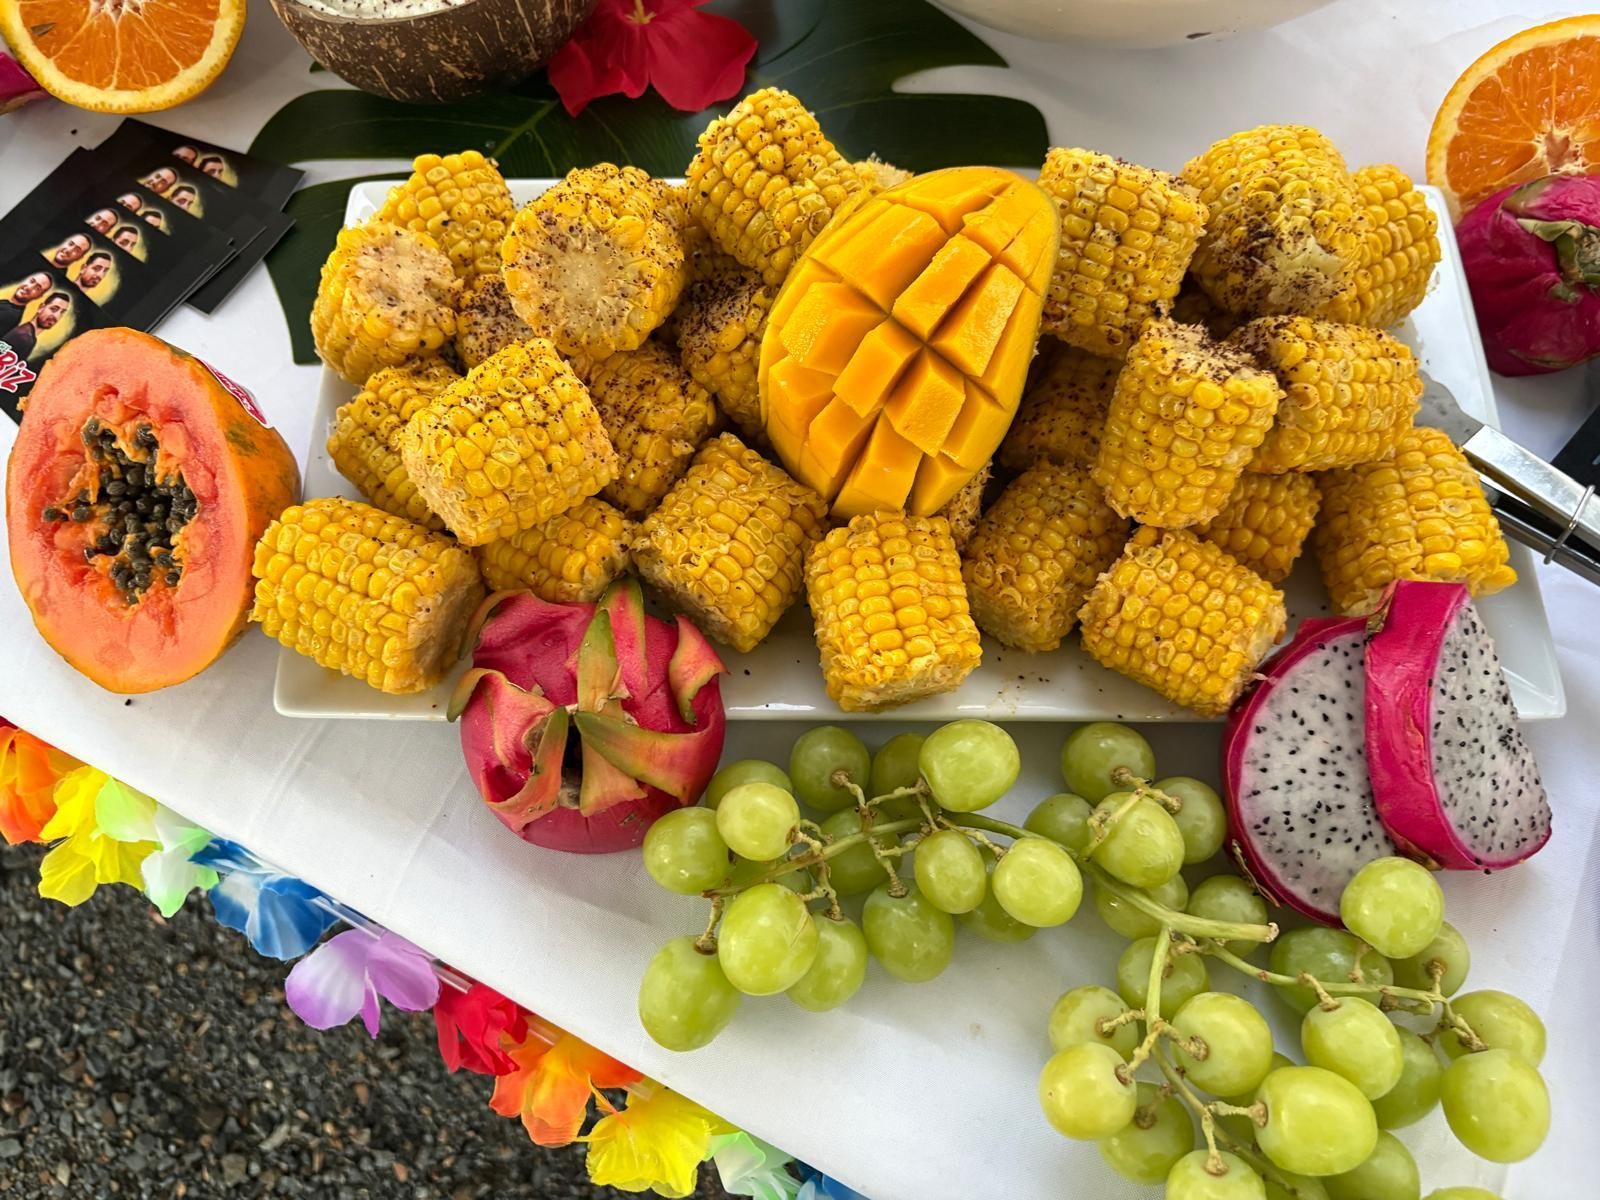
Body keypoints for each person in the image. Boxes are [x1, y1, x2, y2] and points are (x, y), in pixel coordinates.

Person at [7, 292, 71, 360]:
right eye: (53, 309)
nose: (57, 316)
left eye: (62, 312)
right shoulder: (25, 337)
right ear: (41, 308)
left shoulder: (28, 334)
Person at [0, 271, 51, 336]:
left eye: (37, 288)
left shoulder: (10, 315)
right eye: (31, 281)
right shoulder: (7, 304)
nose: (29, 288)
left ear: (39, 296)